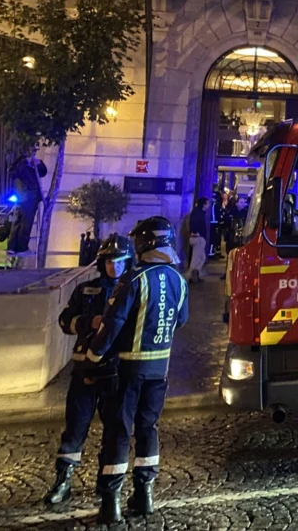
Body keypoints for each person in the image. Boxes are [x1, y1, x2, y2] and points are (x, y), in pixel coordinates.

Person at [88, 217, 188, 523]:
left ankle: (111, 504)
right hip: (160, 370)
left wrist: (94, 354)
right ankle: (144, 496)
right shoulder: (178, 280)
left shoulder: (133, 279)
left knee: (118, 432)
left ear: (145, 243)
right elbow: (180, 320)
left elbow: (113, 322)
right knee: (148, 429)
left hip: (127, 370)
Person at [44, 234, 133, 507]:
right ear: (102, 262)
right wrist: (88, 322)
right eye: (109, 261)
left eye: (119, 262)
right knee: (74, 428)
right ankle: (63, 481)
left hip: (115, 373)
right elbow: (64, 321)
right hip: (83, 371)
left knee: (114, 431)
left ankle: (106, 485)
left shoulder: (132, 291)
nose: (114, 267)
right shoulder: (86, 289)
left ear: (127, 263)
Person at [184, 197, 210, 283]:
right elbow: (194, 223)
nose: (208, 205)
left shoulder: (198, 212)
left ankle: (196, 273)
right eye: (207, 203)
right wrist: (195, 232)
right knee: (196, 259)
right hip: (197, 238)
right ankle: (189, 275)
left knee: (201, 258)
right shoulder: (198, 213)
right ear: (204, 205)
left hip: (198, 238)